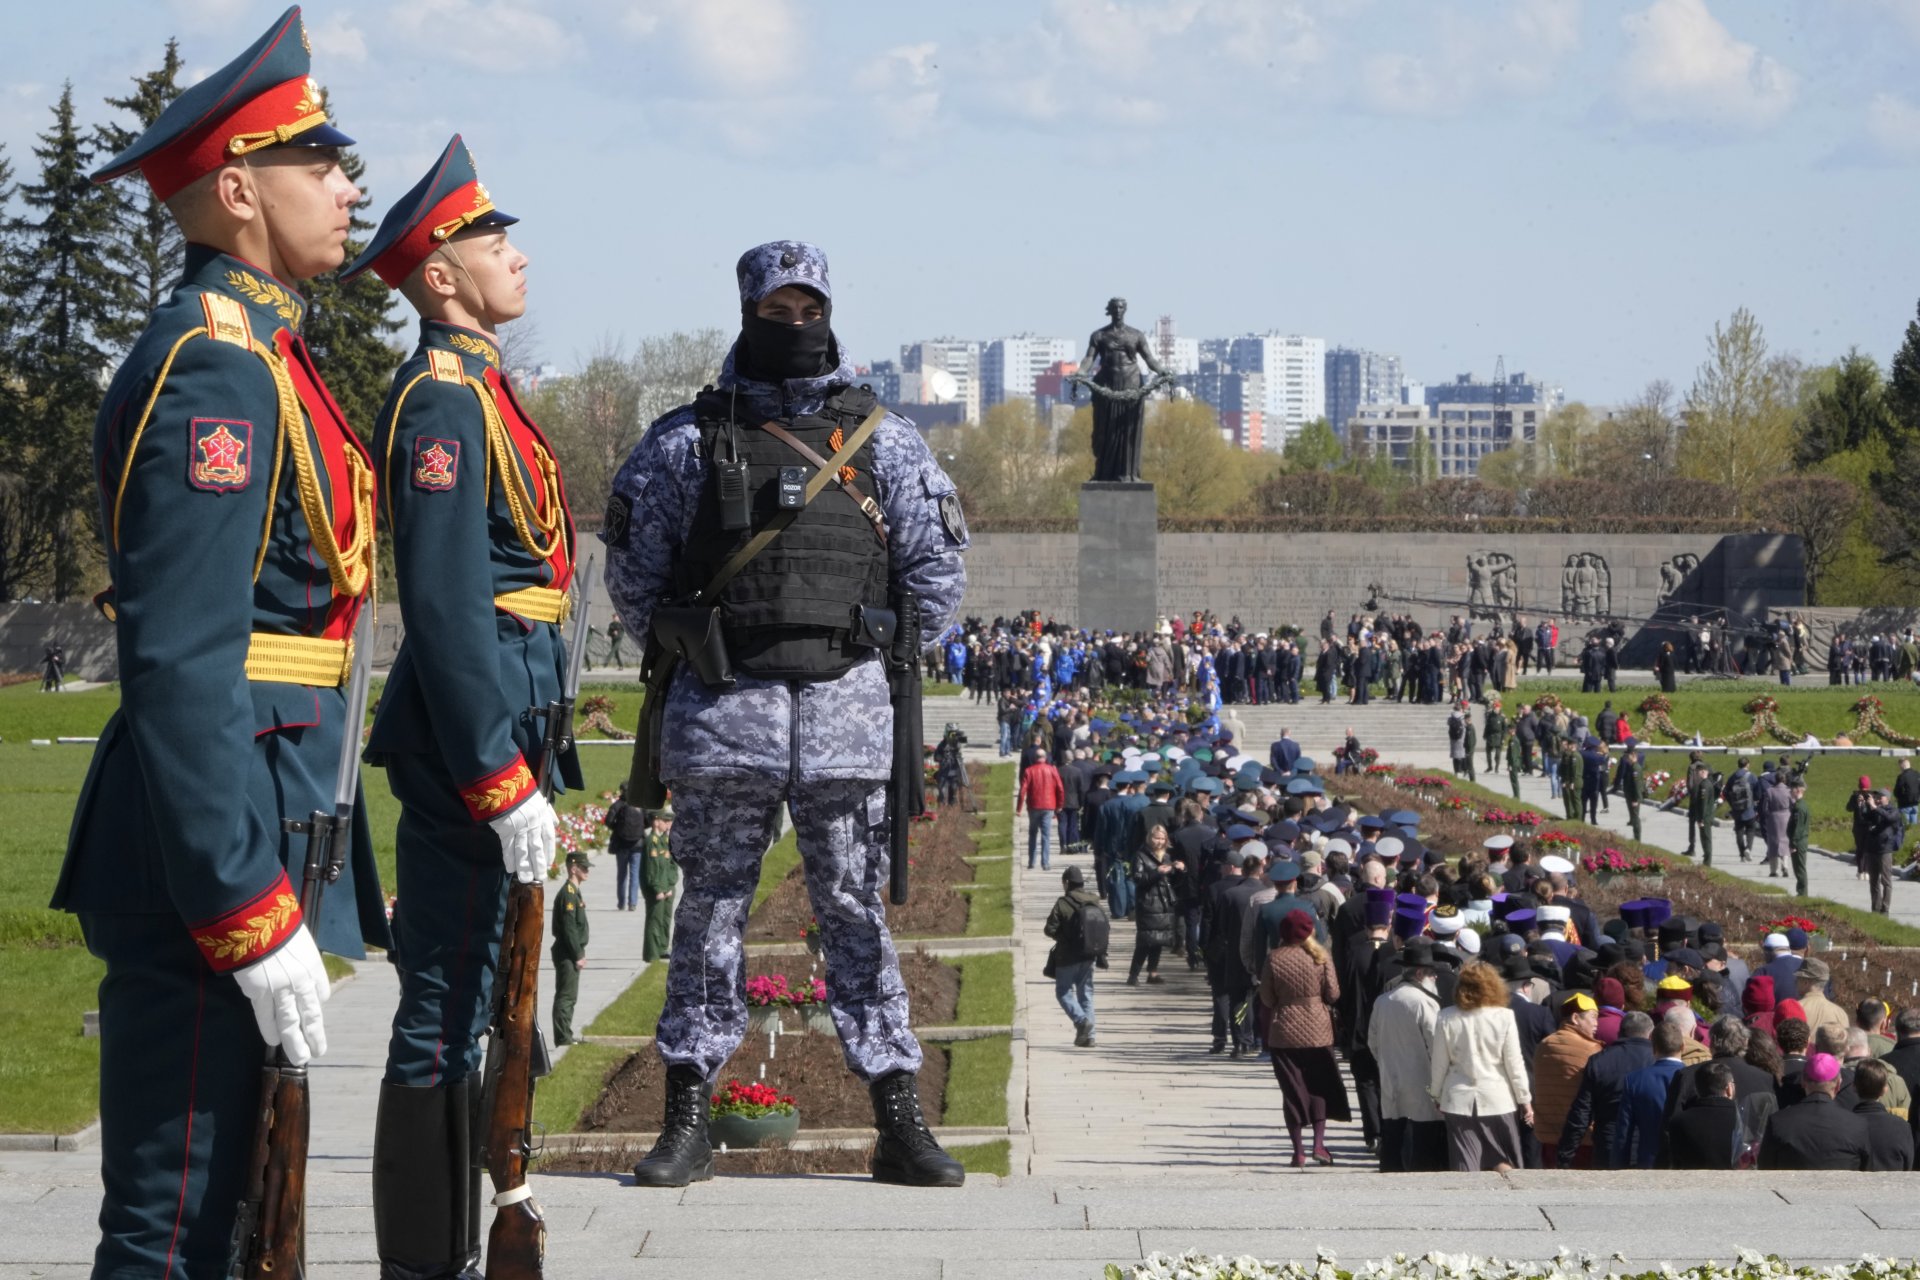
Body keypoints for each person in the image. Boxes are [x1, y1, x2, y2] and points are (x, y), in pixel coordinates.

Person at [54, 12, 389, 1273]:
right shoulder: (215, 368)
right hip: (210, 851)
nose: (351, 189)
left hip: (262, 817)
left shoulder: (265, 354)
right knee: (176, 1224)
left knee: (231, 1213)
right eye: (323, 166)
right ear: (240, 190)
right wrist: (247, 906)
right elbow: (184, 657)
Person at [603, 241, 969, 1189]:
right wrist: (711, 653)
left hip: (845, 719)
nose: (795, 323)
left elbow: (936, 581)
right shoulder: (686, 441)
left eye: (809, 307)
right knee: (710, 917)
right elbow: (636, 581)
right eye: (778, 308)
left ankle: (898, 1118)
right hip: (726, 719)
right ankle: (685, 1116)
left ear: (831, 308)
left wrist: (859, 658)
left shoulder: (886, 440)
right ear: (748, 309)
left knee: (854, 915)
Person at [348, 135, 586, 1266]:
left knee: (486, 995)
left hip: (507, 732)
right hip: (464, 752)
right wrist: (497, 776)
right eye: (491, 239)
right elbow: (444, 607)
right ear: (439, 274)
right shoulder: (442, 405)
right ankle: (424, 1256)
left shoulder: (483, 389)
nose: (514, 254)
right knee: (443, 1007)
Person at [1260, 908, 1348, 1166]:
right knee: (1319, 1086)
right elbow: (1333, 995)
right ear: (1310, 931)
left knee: (1292, 1090)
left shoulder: (1274, 959)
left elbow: (1266, 997)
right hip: (1318, 1030)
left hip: (1284, 1031)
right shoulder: (1322, 957)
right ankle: (1319, 1145)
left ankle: (1297, 1150)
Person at [1430, 960, 1533, 1171]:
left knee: (1465, 1162)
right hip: (1499, 1099)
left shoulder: (1446, 1016)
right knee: (1503, 1159)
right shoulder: (1505, 1017)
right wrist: (1525, 1100)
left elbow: (1439, 1063)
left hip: (1458, 1099)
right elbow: (1514, 1064)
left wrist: (1436, 1094)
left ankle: (1470, 1202)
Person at [1371, 937, 1448, 1172]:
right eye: (1432, 973)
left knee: (1393, 1138)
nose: (1436, 978)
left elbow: (1373, 1043)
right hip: (1422, 1083)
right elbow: (1437, 1047)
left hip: (1390, 1079)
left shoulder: (1383, 1001)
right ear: (1420, 973)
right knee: (1423, 1145)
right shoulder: (1424, 1003)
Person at [1557, 1011, 1656, 1169]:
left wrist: (1565, 1156)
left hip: (1608, 1145)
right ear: (1651, 1035)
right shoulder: (1658, 1061)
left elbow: (1582, 1112)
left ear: (1620, 1033)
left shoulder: (1599, 1061)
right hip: (1649, 1148)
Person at [1759, 1052, 1870, 1170]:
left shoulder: (1778, 1122)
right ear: (1838, 1084)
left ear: (1803, 1081)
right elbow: (1867, 1170)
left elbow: (1765, 1167)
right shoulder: (1858, 1125)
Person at [1533, 991, 1605, 1168]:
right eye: (1593, 1017)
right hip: (1582, 1139)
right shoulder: (1592, 1050)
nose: (1597, 1024)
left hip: (1547, 1134)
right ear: (1575, 1018)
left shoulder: (1543, 1046)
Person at [1043, 866, 1108, 1047]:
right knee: (1086, 994)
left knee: (1063, 992)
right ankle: (1090, 1037)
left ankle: (1081, 1022)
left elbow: (1050, 929)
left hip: (1067, 956)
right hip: (1089, 954)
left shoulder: (1062, 903)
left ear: (1066, 883)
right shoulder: (1094, 901)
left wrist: (1063, 937)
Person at [1617, 1020, 1689, 1168]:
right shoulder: (1694, 1078)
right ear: (1683, 1047)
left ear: (1653, 1047)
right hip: (1685, 1166)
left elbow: (1623, 1134)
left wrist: (1618, 1169)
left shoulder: (1635, 1080)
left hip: (1648, 1164)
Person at [1662, 1060, 1742, 1170]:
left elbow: (1675, 1164)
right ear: (1729, 1089)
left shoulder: (1679, 1122)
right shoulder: (1743, 1119)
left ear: (1698, 1090)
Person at [1128, 823, 1181, 985]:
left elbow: (1172, 879)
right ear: (1150, 838)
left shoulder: (1166, 856)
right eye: (1156, 838)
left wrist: (1178, 869)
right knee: (1145, 940)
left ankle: (1153, 973)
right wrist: (1157, 873)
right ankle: (1133, 975)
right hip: (1148, 902)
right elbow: (1138, 878)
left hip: (1164, 902)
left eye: (1162, 838)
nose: (1159, 841)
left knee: (1159, 940)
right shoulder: (1140, 855)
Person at [551, 853, 590, 1045]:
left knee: (570, 996)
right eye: (583, 868)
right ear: (573, 868)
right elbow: (569, 929)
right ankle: (562, 1037)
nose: (587, 871)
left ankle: (566, 1033)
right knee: (566, 996)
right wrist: (578, 955)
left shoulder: (574, 892)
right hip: (567, 952)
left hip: (570, 950)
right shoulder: (568, 893)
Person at [1850, 1059, 1915, 1171]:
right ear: (1885, 1090)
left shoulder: (1844, 1125)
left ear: (1854, 1087)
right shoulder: (1901, 1126)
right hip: (1893, 1186)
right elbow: (1908, 1166)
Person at [641, 807, 679, 961]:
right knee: (654, 920)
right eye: (664, 820)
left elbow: (671, 865)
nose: (667, 824)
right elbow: (651, 869)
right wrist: (658, 888)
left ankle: (663, 947)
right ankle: (652, 952)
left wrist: (670, 885)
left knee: (665, 919)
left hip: (666, 887)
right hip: (656, 889)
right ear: (656, 822)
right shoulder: (652, 842)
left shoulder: (663, 841)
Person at [1017, 747, 1065, 870]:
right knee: (1046, 835)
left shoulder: (1029, 771)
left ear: (1034, 758)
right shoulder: (1052, 770)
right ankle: (1045, 862)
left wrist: (1019, 808)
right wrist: (1059, 805)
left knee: (1032, 833)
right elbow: (1060, 788)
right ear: (1045, 758)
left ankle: (1032, 862)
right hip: (1049, 806)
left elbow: (1023, 791)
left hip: (1033, 806)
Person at [606, 783, 647, 911]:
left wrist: (618, 829)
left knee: (622, 874)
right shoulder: (640, 805)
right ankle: (633, 903)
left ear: (622, 791)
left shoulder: (617, 805)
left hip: (621, 844)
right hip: (638, 844)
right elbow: (648, 820)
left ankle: (621, 903)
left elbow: (608, 821)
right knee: (634, 874)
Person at [1685, 762, 1718, 865]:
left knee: (1706, 839)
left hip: (1705, 818)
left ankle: (1707, 862)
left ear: (1703, 772)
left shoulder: (1704, 785)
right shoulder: (1707, 783)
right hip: (1706, 817)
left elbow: (1703, 804)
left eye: (1698, 771)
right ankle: (1706, 860)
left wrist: (1701, 819)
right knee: (1705, 838)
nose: (1697, 773)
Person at [1787, 780, 1811, 896]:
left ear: (1798, 790)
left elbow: (1798, 827)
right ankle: (1801, 892)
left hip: (1799, 841)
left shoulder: (1799, 807)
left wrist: (1793, 843)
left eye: (1792, 789)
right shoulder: (1800, 805)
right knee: (1798, 868)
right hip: (1799, 840)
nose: (1790, 791)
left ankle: (1802, 893)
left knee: (1799, 869)